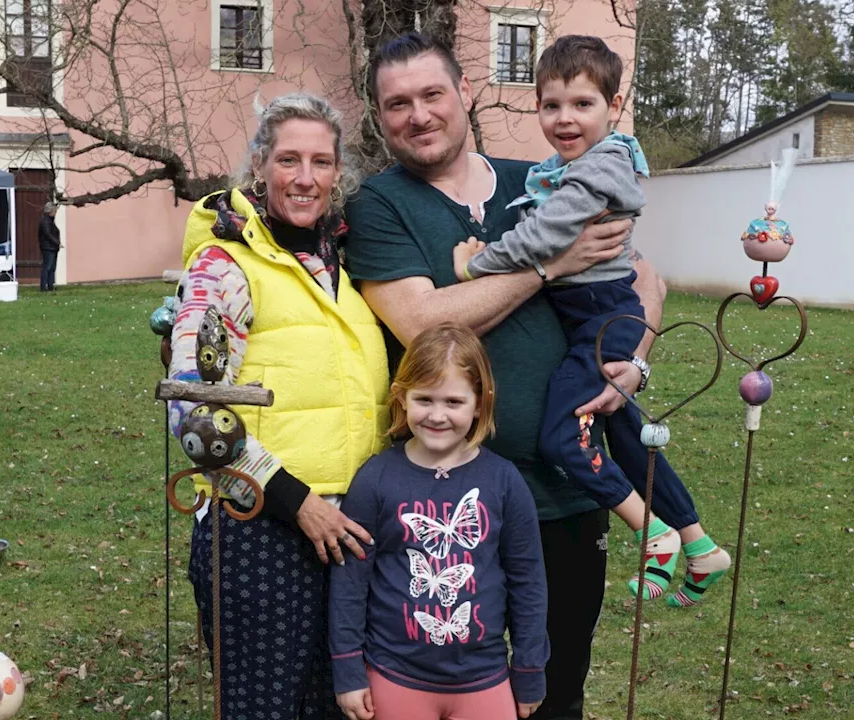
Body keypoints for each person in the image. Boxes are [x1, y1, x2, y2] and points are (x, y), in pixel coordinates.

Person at [342, 32, 659, 719]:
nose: (418, 114)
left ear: (465, 96)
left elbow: (645, 275)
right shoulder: (379, 206)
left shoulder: (542, 177)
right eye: (397, 104)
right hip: (449, 507)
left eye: (432, 94)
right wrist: (549, 264)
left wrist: (635, 359)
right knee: (457, 689)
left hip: (567, 491)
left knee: (556, 689)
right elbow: (426, 325)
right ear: (379, 116)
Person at [451, 35, 730, 606]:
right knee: (626, 435)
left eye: (582, 104)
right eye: (552, 105)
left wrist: (476, 264)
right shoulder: (572, 166)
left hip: (604, 320)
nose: (565, 118)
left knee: (563, 437)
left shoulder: (597, 169)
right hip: (598, 319)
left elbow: (546, 236)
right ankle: (700, 545)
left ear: (614, 104)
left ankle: (652, 536)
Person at [167, 92, 390, 718]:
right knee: (264, 706)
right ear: (260, 167)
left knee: (339, 704)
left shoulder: (338, 264)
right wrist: (297, 502)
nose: (306, 177)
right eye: (289, 159)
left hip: (347, 526)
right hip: (259, 528)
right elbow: (193, 413)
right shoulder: (225, 265)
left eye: (322, 162)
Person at [329, 323, 547, 720]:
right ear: (401, 398)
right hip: (394, 676)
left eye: (453, 402)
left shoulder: (504, 481)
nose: (437, 415)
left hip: (485, 678)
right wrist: (347, 670)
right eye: (424, 399)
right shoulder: (375, 479)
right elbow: (350, 583)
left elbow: (528, 580)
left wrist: (530, 668)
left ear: (480, 403)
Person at [37, 202, 60, 291]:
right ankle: (43, 287)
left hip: (52, 247)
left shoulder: (50, 220)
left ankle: (50, 285)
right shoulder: (45, 221)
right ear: (50, 211)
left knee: (52, 268)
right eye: (54, 210)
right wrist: (57, 242)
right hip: (48, 247)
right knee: (47, 267)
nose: (55, 212)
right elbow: (48, 234)